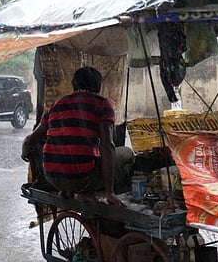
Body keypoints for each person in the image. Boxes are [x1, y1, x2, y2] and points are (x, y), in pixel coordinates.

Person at [21, 66, 134, 206]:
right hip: (83, 179)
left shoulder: (56, 105)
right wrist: (109, 192)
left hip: (52, 178)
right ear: (98, 85)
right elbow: (107, 146)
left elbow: (29, 141)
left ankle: (69, 189)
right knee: (127, 154)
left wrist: (25, 151)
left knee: (85, 159)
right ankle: (97, 192)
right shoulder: (102, 105)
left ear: (74, 85)